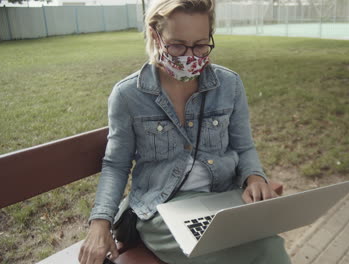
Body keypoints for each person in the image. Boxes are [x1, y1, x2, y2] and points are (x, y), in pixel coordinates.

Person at [78, 0, 291, 263]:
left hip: (223, 198)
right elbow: (116, 164)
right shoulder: (128, 95)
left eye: (201, 45)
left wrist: (255, 177)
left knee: (270, 246)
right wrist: (100, 223)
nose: (190, 56)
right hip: (162, 211)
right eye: (177, 45)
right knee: (222, 253)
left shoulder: (229, 84)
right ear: (155, 35)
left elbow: (243, 146)